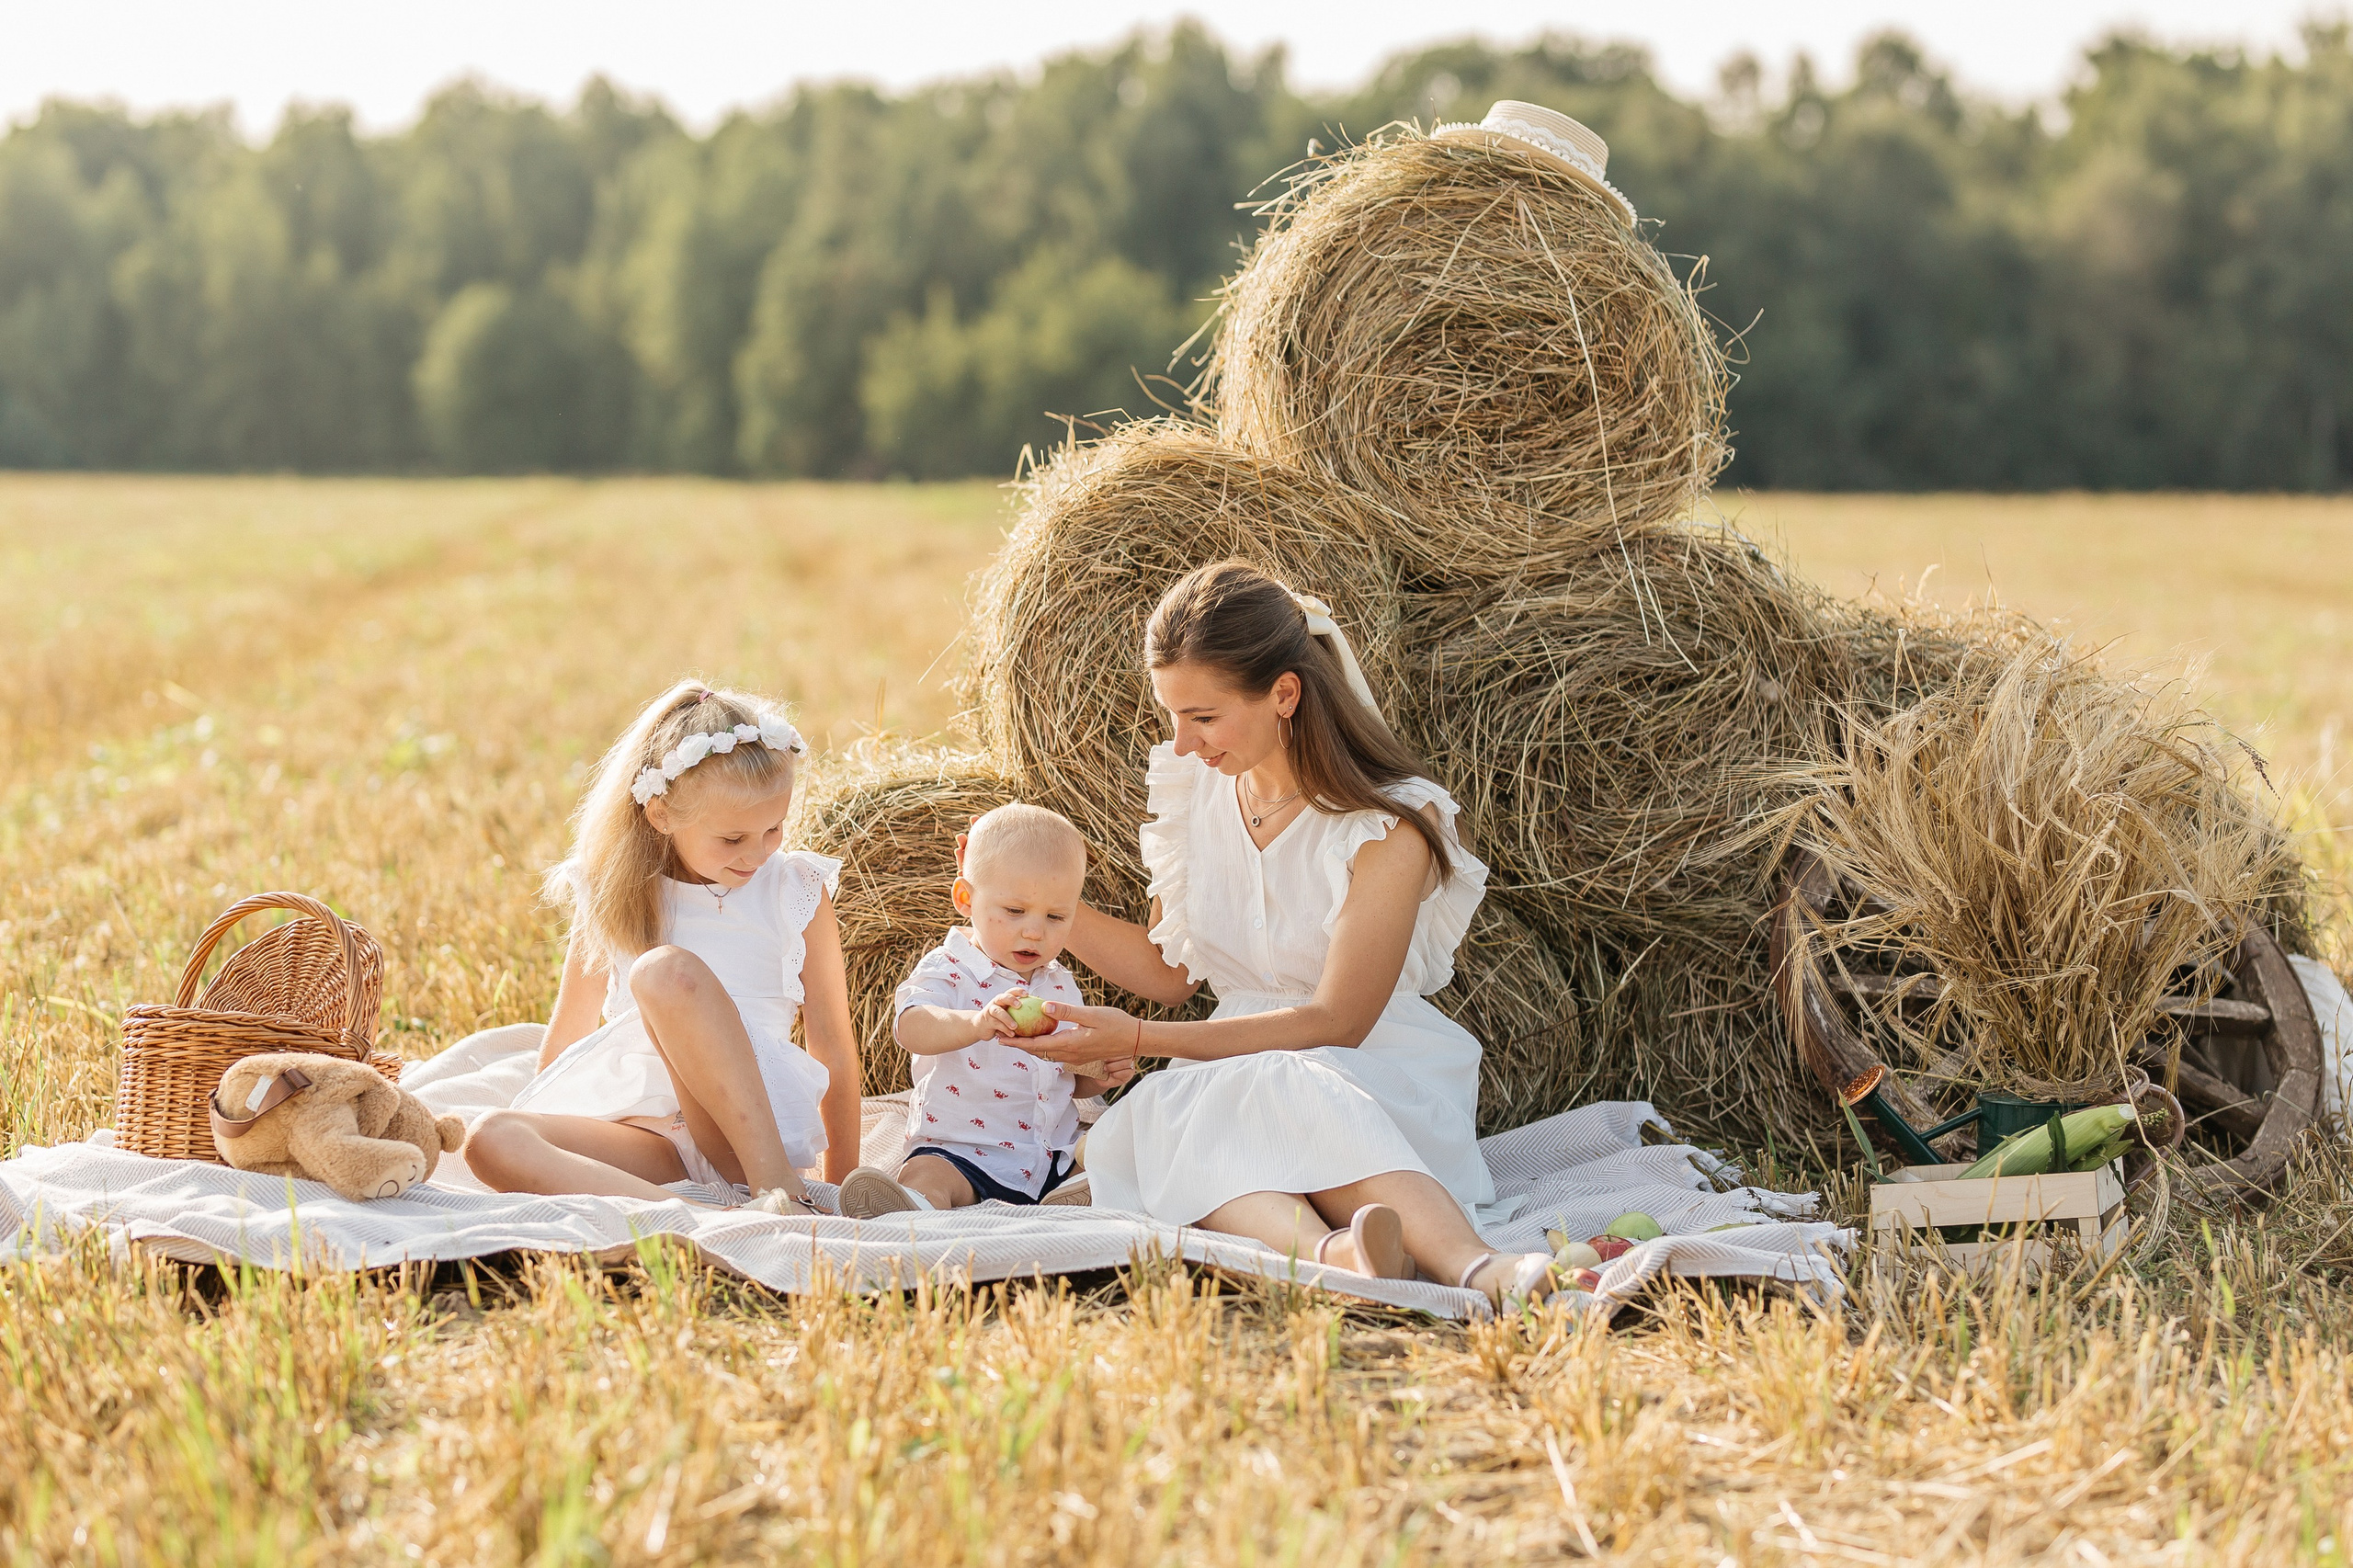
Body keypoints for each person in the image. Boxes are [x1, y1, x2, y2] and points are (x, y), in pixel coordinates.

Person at [1023, 562, 1558, 1303]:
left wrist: (1138, 1041)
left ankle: (1478, 1266)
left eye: (1203, 717)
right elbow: (1168, 975)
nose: (1182, 744)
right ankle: (1339, 1256)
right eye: (1171, 715)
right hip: (1227, 1068)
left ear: (1284, 693)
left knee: (1255, 1091)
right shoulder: (1195, 797)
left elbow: (1337, 1019)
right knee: (1181, 1118)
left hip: (1367, 1068)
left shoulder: (1389, 823)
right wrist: (1041, 909)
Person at [465, 680, 859, 1212]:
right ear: (661, 815)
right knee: (491, 1137)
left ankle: (781, 1191)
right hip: (651, 1141)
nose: (758, 853)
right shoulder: (614, 891)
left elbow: (831, 1047)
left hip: (744, 1137)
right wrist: (547, 1119)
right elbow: (570, 1030)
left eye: (773, 829)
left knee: (662, 973)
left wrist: (843, 1183)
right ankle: (705, 1217)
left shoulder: (795, 890)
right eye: (732, 839)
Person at [836, 802, 1135, 1216]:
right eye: (1014, 911)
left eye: (1056, 916)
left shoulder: (1058, 983)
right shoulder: (950, 969)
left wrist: (1098, 1078)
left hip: (1048, 1156)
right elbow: (912, 1026)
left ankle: (1075, 1194)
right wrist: (975, 1023)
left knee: (1107, 1147)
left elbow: (1063, 1076)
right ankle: (914, 1206)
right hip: (963, 1151)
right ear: (965, 898)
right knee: (929, 1171)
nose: (1034, 931)